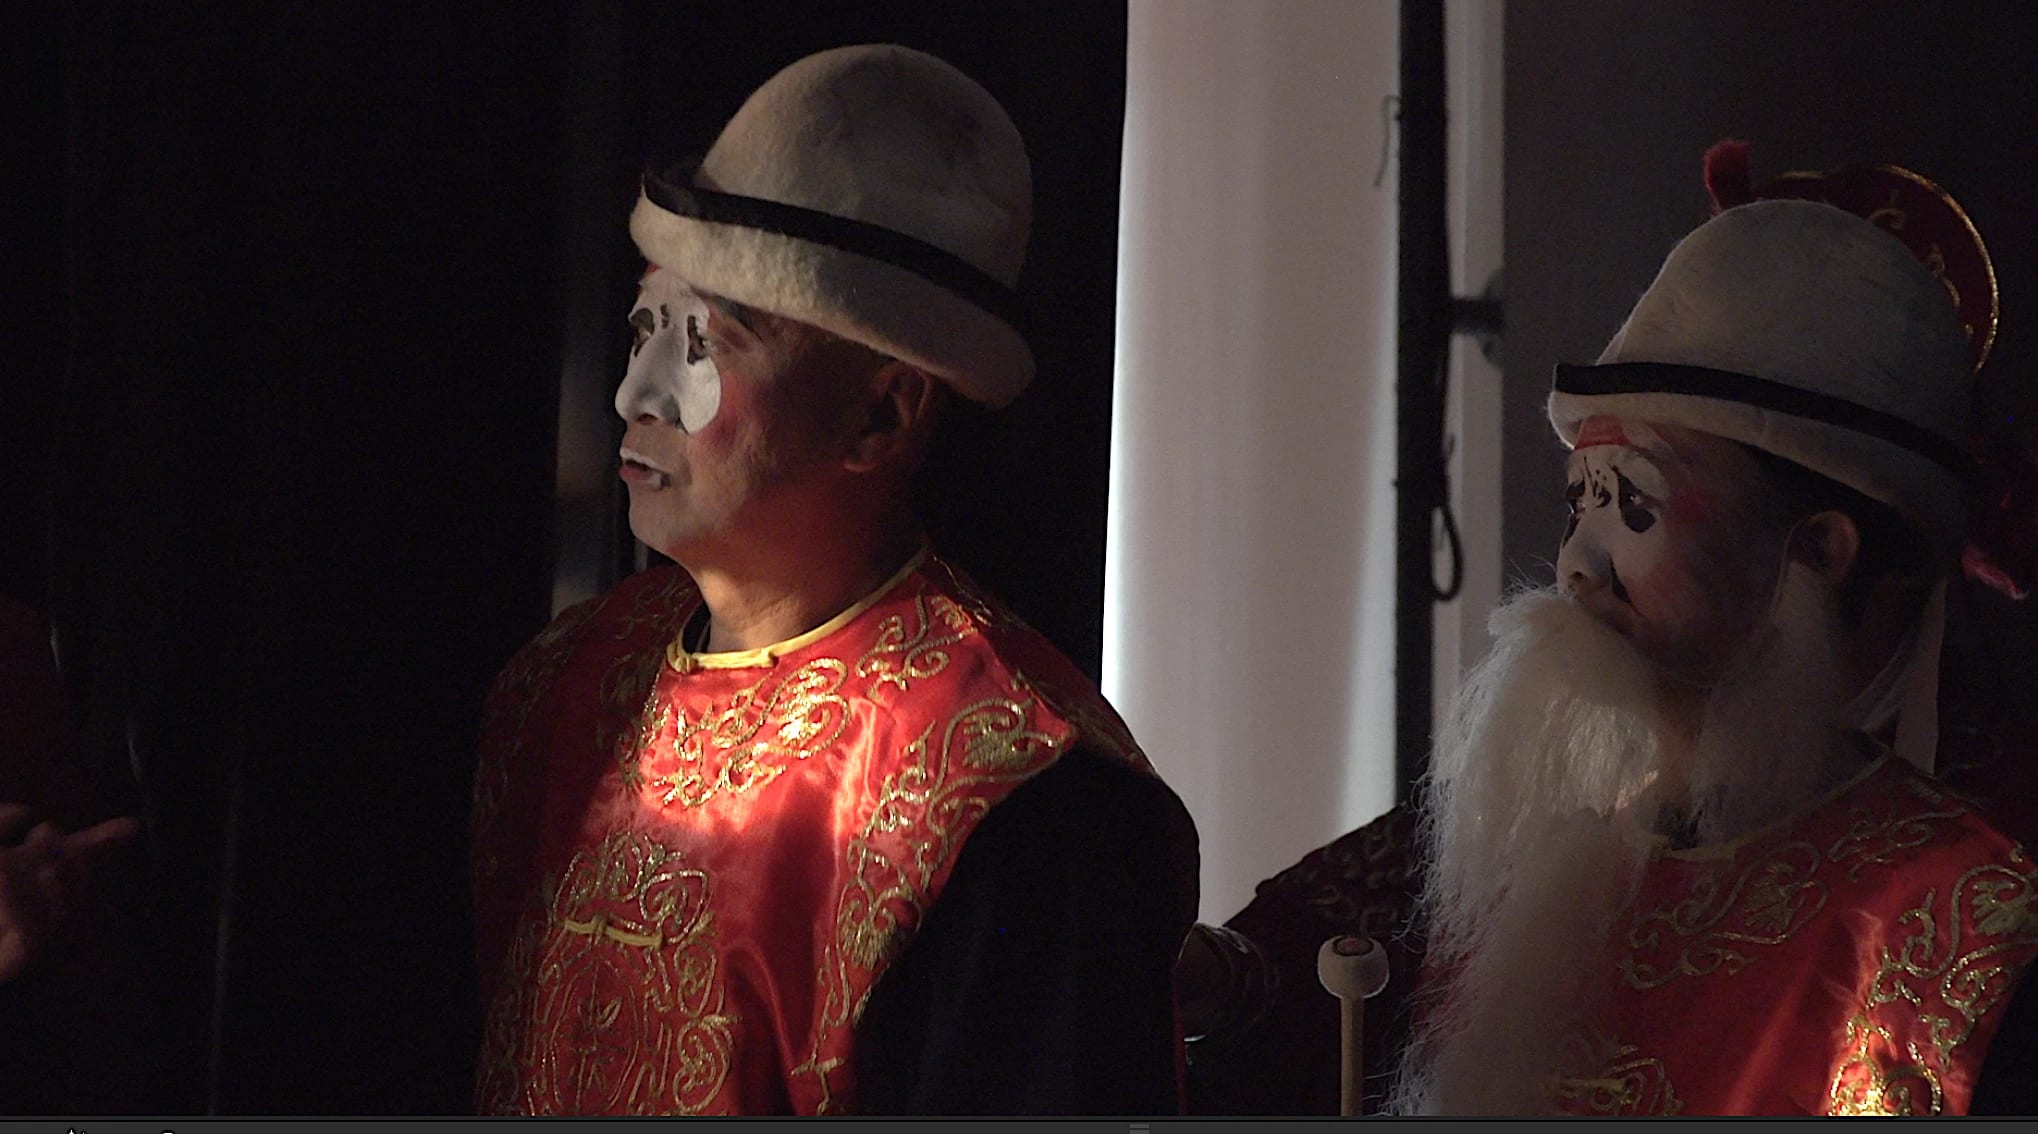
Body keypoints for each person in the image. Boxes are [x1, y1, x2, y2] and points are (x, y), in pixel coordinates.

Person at [468, 44, 1198, 1116]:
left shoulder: (1014, 788)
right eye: (643, 327)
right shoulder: (565, 686)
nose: (639, 392)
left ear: (882, 414)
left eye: (707, 341)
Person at [1390, 145, 2038, 1116]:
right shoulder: (1567, 872)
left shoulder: (1960, 915)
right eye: (1580, 505)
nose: (1577, 565)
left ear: (1816, 550)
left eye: (1632, 507)